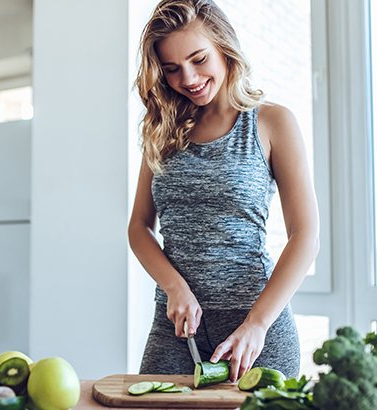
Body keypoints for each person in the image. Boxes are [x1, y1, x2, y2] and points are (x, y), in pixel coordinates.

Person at [128, 0, 320, 382]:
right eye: (171, 69)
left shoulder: (271, 122)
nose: (188, 77)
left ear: (224, 48)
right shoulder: (162, 130)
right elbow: (139, 228)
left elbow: (306, 235)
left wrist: (258, 324)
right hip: (176, 330)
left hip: (256, 328)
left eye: (199, 59)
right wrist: (174, 287)